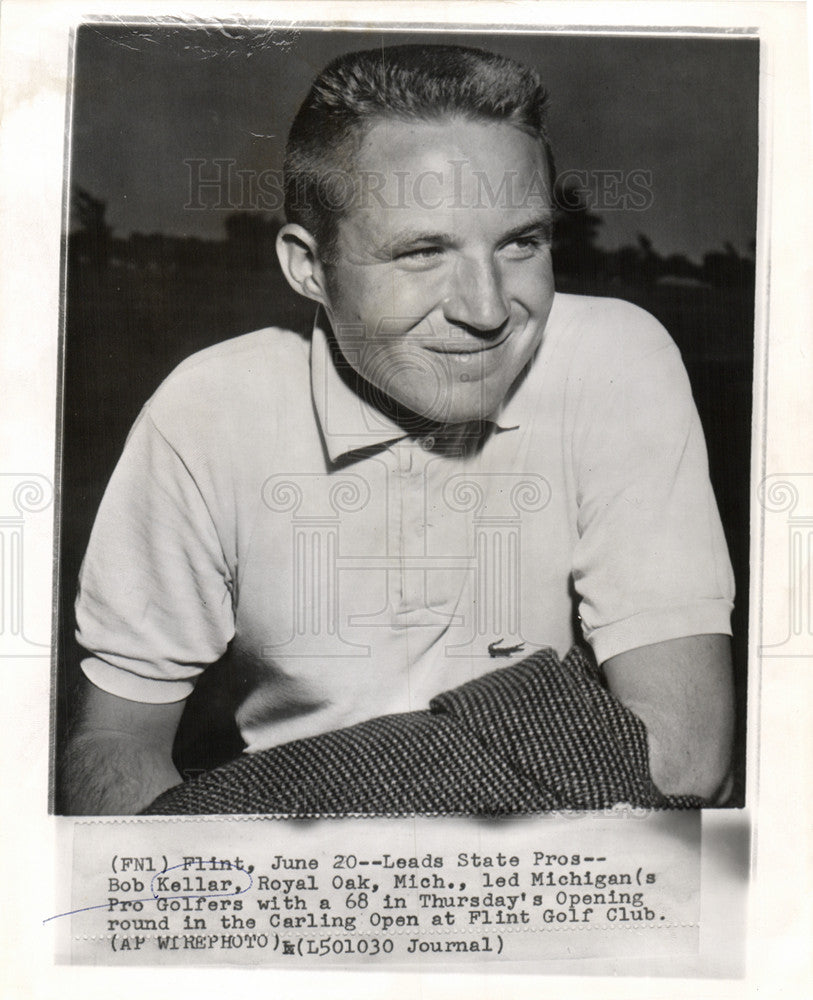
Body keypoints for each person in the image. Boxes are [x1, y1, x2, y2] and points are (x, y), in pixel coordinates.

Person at [63, 43, 735, 815]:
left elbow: (683, 758)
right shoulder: (207, 410)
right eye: (422, 252)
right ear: (308, 267)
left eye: (522, 242)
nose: (487, 310)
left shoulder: (614, 359)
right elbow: (115, 744)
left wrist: (251, 811)